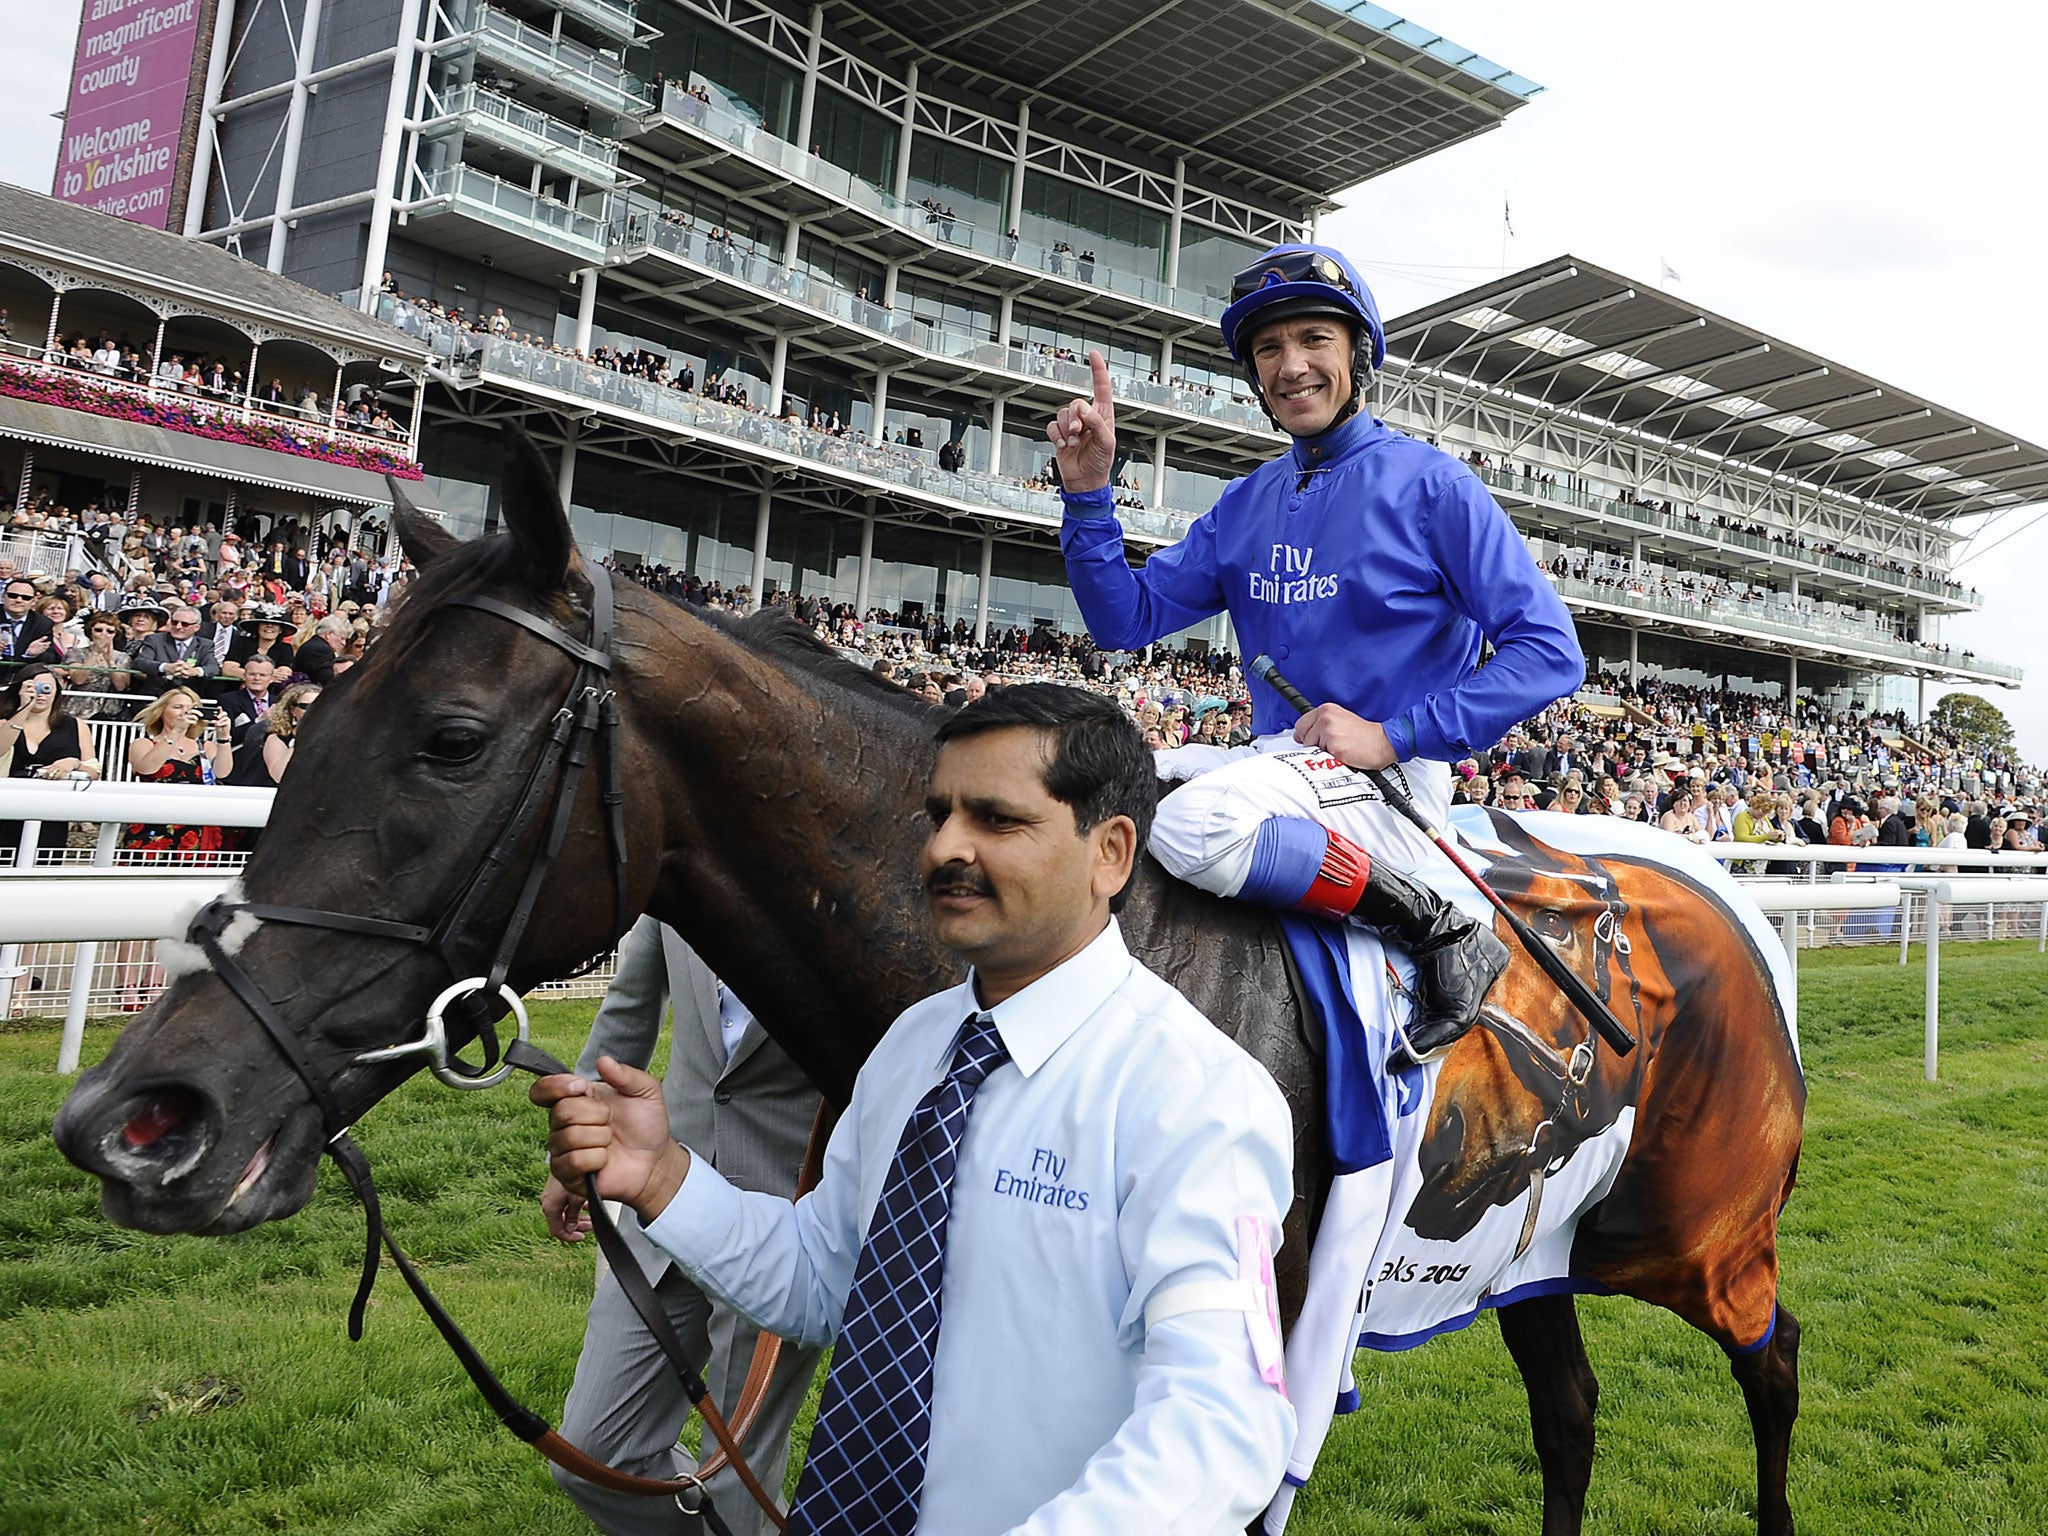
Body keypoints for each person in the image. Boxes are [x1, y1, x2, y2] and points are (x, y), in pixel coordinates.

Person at [534, 685, 1295, 1535]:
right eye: (938, 815)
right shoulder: (914, 1045)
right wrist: (665, 1178)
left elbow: (1223, 1423)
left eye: (997, 820)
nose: (944, 850)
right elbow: (823, 1279)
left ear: (1109, 854)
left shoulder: (1195, 1096)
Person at [1050, 242, 1583, 1068]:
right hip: (1279, 768)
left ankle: (1440, 925)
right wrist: (1089, 495)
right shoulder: (1247, 501)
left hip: (1388, 783)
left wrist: (1392, 734)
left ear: (1358, 354)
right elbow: (1126, 618)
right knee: (1091, 785)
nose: (1291, 365)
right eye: (1269, 348)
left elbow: (1550, 653)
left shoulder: (1435, 486)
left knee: (1194, 822)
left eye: (1313, 340)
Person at [542, 914, 823, 1536]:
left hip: (788, 1217)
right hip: (661, 1195)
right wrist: (576, 1149)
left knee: (733, 1478)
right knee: (591, 1455)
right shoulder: (683, 867)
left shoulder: (846, 875)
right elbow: (627, 1010)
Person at [0, 664, 100, 864]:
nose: (41, 694)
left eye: (47, 688)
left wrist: (72, 763)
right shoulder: (5, 722)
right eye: (33, 687)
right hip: (8, 807)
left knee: (44, 866)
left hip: (51, 809)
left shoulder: (75, 725)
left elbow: (93, 771)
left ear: (57, 692)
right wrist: (23, 707)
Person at [122, 687, 232, 861]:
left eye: (190, 708)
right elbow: (147, 768)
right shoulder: (143, 743)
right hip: (152, 823)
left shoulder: (205, 747)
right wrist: (175, 732)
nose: (185, 712)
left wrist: (224, 737)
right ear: (162, 711)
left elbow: (223, 772)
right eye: (178, 707)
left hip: (194, 825)